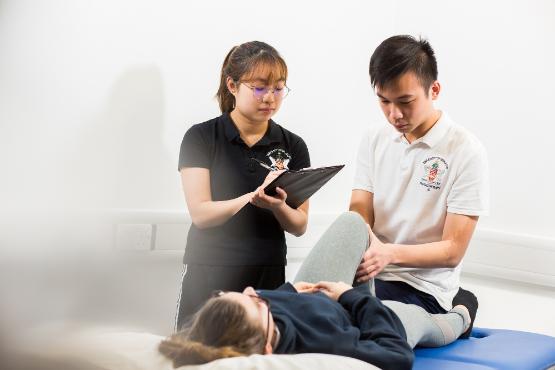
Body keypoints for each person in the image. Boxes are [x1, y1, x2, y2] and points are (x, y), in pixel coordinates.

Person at [159, 212, 471, 370]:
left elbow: (258, 307)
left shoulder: (247, 324)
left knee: (353, 222)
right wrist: (351, 297)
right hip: (365, 317)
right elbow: (396, 357)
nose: (255, 290)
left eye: (241, 293)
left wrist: (290, 290)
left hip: (319, 292)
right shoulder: (326, 345)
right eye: (255, 301)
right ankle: (463, 314)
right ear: (268, 350)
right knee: (435, 323)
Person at [350, 35, 488, 336]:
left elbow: (453, 250)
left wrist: (388, 253)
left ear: (434, 90)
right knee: (305, 305)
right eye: (384, 101)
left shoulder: (465, 150)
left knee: (357, 328)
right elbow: (359, 212)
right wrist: (367, 244)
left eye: (405, 102)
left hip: (423, 289)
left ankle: (457, 316)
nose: (394, 114)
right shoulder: (374, 138)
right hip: (372, 275)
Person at [175, 41, 310, 330]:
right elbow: (201, 213)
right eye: (259, 88)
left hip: (267, 272)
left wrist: (277, 205)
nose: (270, 98)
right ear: (232, 85)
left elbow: (299, 225)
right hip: (209, 268)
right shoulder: (201, 138)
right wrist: (252, 197)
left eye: (278, 88)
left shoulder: (293, 145)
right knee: (197, 352)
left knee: (256, 355)